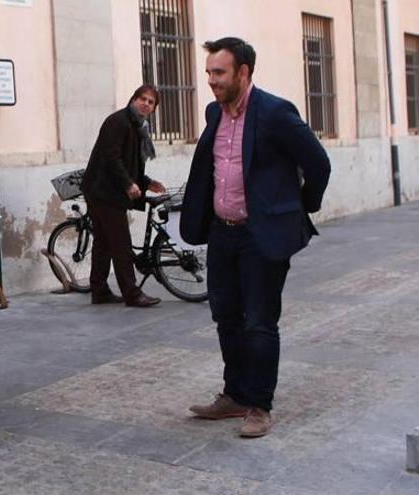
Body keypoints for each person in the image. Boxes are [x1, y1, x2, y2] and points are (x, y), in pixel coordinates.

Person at [181, 37, 330, 437]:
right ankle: (235, 395)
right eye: (209, 72)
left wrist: (297, 207)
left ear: (243, 72)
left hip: (259, 236)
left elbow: (318, 163)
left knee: (260, 323)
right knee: (226, 317)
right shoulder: (215, 113)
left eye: (219, 73)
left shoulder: (276, 112)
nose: (211, 80)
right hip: (222, 233)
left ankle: (260, 406)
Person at [79, 84, 166, 308]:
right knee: (120, 243)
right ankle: (132, 293)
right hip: (103, 190)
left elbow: (130, 162)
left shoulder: (138, 126)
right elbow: (111, 158)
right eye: (142, 99)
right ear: (133, 99)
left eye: (151, 102)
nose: (146, 104)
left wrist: (146, 183)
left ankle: (99, 290)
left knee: (104, 242)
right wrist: (128, 184)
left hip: (105, 189)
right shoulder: (118, 121)